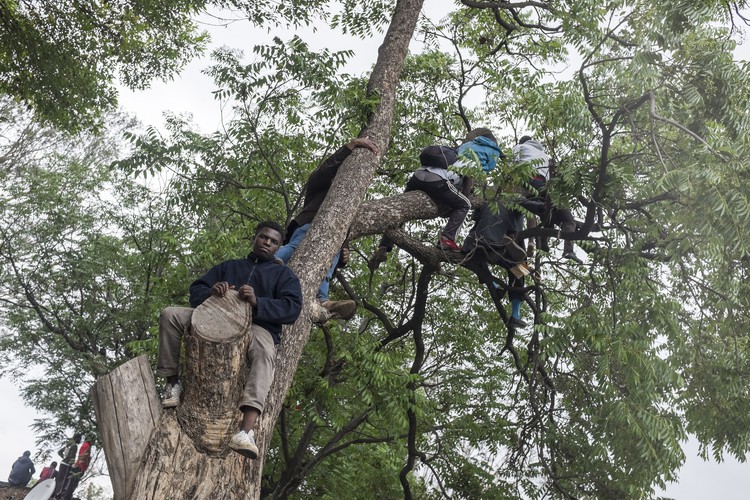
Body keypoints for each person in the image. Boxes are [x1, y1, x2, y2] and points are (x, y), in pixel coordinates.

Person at [155, 221, 302, 460]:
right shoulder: (230, 266)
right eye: (263, 237)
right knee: (169, 314)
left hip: (257, 326)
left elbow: (292, 309)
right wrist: (211, 292)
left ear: (279, 247)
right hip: (212, 317)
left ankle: (246, 431)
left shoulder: (283, 274)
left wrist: (258, 302)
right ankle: (173, 384)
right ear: (254, 238)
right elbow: (197, 289)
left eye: (274, 241)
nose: (267, 242)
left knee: (265, 355)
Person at [276, 137, 379, 323]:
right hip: (310, 224)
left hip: (335, 241)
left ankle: (322, 300)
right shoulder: (321, 185)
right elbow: (326, 169)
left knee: (328, 265)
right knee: (295, 247)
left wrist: (344, 253)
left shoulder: (350, 203)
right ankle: (267, 263)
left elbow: (343, 229)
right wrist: (351, 146)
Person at [370, 128, 504, 268]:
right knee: (465, 204)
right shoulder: (474, 160)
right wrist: (464, 196)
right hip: (436, 181)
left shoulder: (459, 150)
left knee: (400, 212)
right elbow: (468, 183)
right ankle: (447, 239)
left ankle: (384, 246)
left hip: (418, 176)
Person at [513, 136, 582, 263]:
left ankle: (541, 240)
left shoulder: (520, 147)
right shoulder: (544, 155)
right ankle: (568, 250)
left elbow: (514, 163)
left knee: (533, 207)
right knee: (568, 220)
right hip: (544, 186)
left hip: (527, 180)